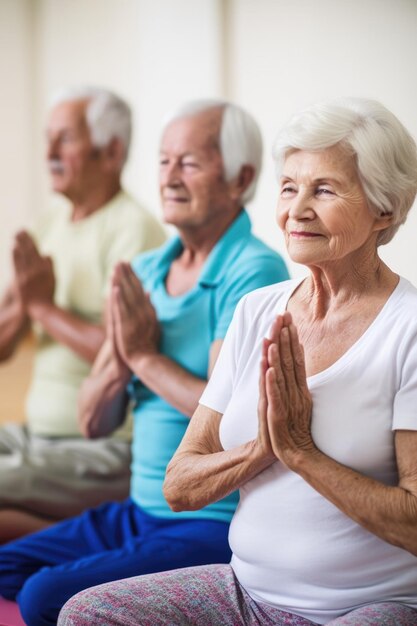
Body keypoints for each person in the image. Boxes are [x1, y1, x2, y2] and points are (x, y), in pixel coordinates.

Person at [58, 97, 417, 626]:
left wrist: (303, 454)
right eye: (289, 187)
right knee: (86, 613)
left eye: (324, 189)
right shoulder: (257, 310)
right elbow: (180, 483)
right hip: (242, 591)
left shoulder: (408, 328)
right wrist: (261, 452)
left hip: (364, 607)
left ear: (384, 207)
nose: (296, 210)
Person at [0, 98, 289, 626]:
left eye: (190, 163)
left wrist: (141, 355)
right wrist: (117, 366)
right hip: (138, 510)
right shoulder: (147, 271)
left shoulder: (255, 270)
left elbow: (230, 425)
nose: (170, 178)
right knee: (7, 566)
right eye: (162, 161)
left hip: (209, 522)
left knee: (44, 597)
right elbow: (94, 422)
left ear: (239, 177)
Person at [0, 86, 166, 542]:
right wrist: (26, 306)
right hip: (35, 435)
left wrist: (43, 308)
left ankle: (93, 534)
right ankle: (78, 532)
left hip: (103, 448)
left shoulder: (136, 231)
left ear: (111, 152)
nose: (49, 152)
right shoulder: (49, 224)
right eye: (47, 138)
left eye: (65, 139)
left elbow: (129, 350)